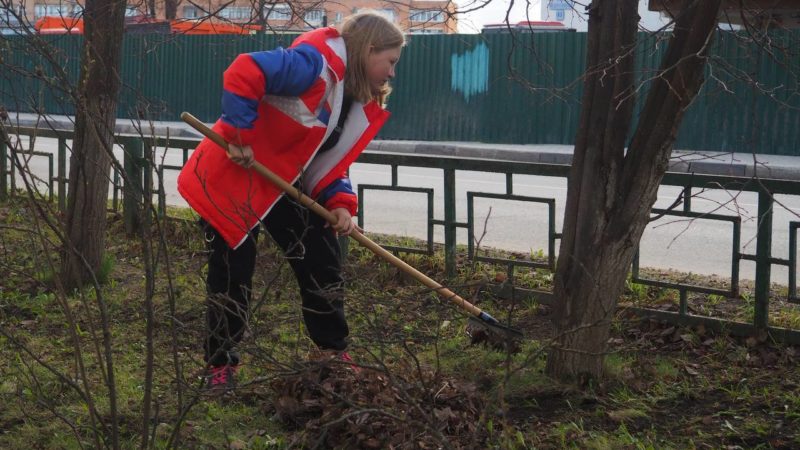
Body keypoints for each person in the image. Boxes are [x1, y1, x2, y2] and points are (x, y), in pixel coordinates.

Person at [177, 12, 405, 390]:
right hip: (232, 174)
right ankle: (219, 366)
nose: (392, 73)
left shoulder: (350, 98)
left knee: (320, 255)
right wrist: (238, 134)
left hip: (281, 182)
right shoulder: (313, 65)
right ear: (369, 50)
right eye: (391, 61)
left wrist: (340, 204)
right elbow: (244, 70)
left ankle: (332, 355)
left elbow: (329, 162)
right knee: (233, 270)